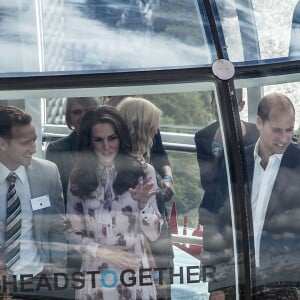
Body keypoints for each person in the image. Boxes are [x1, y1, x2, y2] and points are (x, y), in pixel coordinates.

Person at [206, 93, 300, 299]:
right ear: (259, 122)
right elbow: (218, 223)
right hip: (238, 282)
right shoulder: (235, 162)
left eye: (289, 130)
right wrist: (217, 285)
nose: (284, 138)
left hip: (286, 286)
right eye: (276, 130)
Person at [66, 106, 162, 300]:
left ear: (121, 138)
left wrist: (144, 206)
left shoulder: (144, 172)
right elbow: (71, 233)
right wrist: (104, 252)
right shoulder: (77, 178)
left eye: (112, 138)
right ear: (89, 142)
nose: (106, 146)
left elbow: (154, 234)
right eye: (98, 140)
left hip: (133, 275)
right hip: (95, 276)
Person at [0, 106, 66, 292]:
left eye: (34, 141)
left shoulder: (48, 173)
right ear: (2, 144)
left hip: (38, 281)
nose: (33, 148)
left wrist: (58, 278)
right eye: (25, 143)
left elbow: (57, 228)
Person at [117, 97, 174, 299]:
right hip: (149, 256)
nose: (154, 134)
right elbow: (139, 228)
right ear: (141, 128)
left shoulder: (131, 164)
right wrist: (155, 275)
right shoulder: (134, 170)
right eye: (152, 129)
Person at [195, 89, 259, 216]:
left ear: (241, 106)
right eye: (217, 104)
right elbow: (207, 182)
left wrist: (242, 140)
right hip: (215, 208)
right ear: (211, 104)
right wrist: (217, 146)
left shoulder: (257, 132)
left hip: (249, 205)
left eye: (230, 104)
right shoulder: (203, 135)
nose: (222, 109)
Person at [104, 95, 174, 202]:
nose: (155, 132)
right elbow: (151, 216)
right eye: (153, 127)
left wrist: (168, 178)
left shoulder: (103, 164)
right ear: (142, 130)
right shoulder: (145, 170)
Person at [46, 97, 100, 207]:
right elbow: (56, 195)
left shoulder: (109, 146)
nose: (84, 116)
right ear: (69, 118)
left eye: (89, 111)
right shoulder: (57, 149)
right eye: (77, 112)